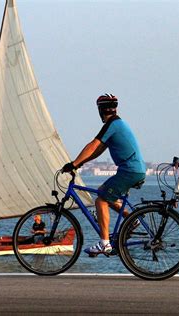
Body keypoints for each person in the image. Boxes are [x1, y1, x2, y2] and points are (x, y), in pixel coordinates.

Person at [62, 93, 146, 255]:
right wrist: (80, 163)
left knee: (101, 201)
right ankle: (131, 218)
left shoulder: (112, 124)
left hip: (130, 171)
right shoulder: (117, 124)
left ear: (101, 110)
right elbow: (98, 150)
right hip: (133, 170)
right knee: (102, 191)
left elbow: (93, 145)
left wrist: (73, 163)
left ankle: (104, 243)